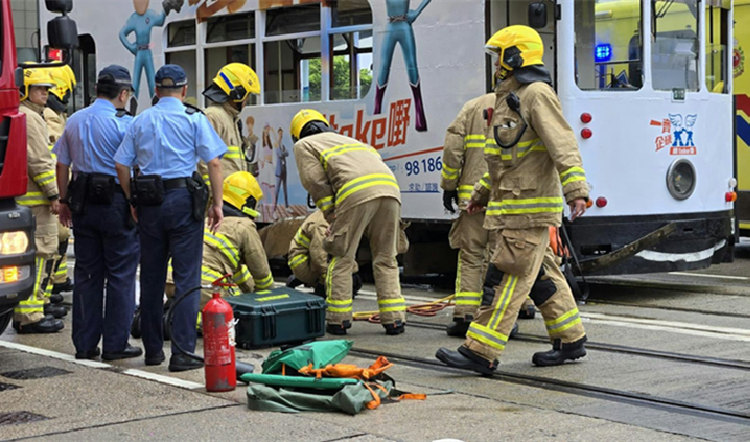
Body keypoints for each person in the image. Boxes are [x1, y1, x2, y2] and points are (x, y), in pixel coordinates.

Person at [436, 25, 589, 374]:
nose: (495, 65)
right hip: (512, 209)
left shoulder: (536, 95)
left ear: (515, 57)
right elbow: (504, 161)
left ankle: (480, 351)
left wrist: (576, 190)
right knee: (542, 276)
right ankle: (570, 338)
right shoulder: (510, 100)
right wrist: (479, 196)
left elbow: (562, 144)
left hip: (526, 211)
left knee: (506, 278)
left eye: (499, 58)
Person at [114, 64, 226, 372]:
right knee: (187, 278)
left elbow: (121, 165)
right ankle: (181, 352)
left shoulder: (140, 121)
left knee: (150, 276)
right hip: (183, 201)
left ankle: (153, 352)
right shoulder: (194, 118)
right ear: (184, 90)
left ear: (157, 91)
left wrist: (130, 199)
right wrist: (217, 204)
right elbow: (214, 163)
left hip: (149, 202)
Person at [290, 109, 405, 335]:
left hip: (355, 193)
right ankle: (394, 320)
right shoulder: (353, 141)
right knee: (386, 257)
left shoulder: (305, 145)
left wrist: (331, 213)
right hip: (390, 191)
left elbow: (314, 180)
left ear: (298, 134)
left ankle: (338, 320)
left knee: (341, 257)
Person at [54, 65, 142, 360]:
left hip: (82, 203)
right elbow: (131, 165)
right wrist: (132, 200)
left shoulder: (75, 120)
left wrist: (64, 200)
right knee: (120, 273)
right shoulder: (125, 123)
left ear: (95, 91)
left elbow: (61, 165)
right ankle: (116, 344)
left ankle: (85, 344)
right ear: (123, 93)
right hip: (116, 201)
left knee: (87, 273)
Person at [441, 92, 533, 338]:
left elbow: (453, 148)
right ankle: (509, 312)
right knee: (503, 257)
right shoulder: (523, 104)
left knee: (471, 255)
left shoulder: (471, 107)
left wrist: (449, 185)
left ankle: (466, 314)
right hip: (507, 196)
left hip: (473, 194)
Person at [13, 67, 64, 334]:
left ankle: (30, 310)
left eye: (46, 89)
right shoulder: (30, 118)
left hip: (28, 201)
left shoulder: (28, 115)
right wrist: (55, 195)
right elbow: (40, 161)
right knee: (42, 254)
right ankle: (31, 315)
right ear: (25, 91)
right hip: (37, 203)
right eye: (39, 89)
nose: (46, 93)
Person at [200, 171, 273, 304]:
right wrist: (269, 299)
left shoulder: (206, 221)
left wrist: (248, 287)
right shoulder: (244, 226)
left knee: (187, 318)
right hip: (207, 288)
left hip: (176, 281)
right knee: (236, 315)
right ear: (249, 202)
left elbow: (235, 271)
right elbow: (261, 274)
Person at [373, 0, 432, 132]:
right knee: (384, 67)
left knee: (412, 66)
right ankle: (376, 113)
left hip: (404, 26)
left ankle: (419, 115)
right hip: (392, 26)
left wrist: (417, 11)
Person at [198, 63, 260, 185]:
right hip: (221, 199)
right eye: (247, 96)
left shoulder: (231, 119)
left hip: (231, 197)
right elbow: (204, 163)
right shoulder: (213, 116)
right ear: (237, 94)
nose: (246, 101)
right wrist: (215, 196)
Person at [44, 65, 76, 300]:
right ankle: (47, 291)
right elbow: (53, 159)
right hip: (50, 194)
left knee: (60, 239)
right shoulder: (48, 117)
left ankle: (56, 282)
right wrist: (58, 195)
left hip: (55, 191)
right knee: (52, 243)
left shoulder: (53, 115)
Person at [273, 127, 289, 213]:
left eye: (281, 133)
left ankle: (287, 206)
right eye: (279, 133)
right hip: (279, 170)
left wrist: (283, 153)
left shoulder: (283, 145)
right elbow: (279, 154)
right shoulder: (277, 144)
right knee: (277, 190)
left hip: (284, 169)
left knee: (285, 189)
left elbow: (287, 153)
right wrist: (284, 153)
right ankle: (274, 208)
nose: (281, 135)